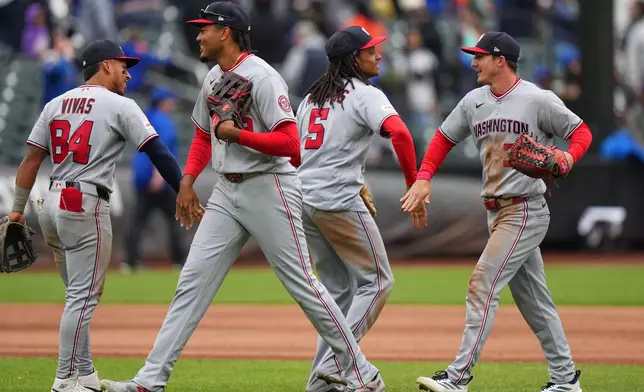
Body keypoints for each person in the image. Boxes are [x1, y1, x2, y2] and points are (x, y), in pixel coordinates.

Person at [99, 3, 384, 392]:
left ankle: (363, 373)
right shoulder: (213, 76)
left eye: (205, 29)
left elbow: (290, 144)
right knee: (191, 282)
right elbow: (203, 135)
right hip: (226, 189)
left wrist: (239, 136)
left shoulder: (263, 77)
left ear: (226, 32)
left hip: (271, 186)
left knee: (303, 284)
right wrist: (187, 179)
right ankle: (150, 380)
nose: (198, 35)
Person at [401, 32, 592, 392]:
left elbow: (581, 132)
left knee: (481, 285)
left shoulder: (537, 99)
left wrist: (567, 156)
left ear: (500, 60)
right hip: (495, 213)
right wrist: (423, 177)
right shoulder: (474, 101)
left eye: (480, 56)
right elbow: (443, 138)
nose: (473, 62)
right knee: (536, 303)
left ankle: (457, 378)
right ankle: (565, 380)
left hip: (524, 210)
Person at [8, 39, 190, 392]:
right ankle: (64, 381)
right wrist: (182, 187)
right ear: (105, 65)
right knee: (83, 298)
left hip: (52, 202)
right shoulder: (119, 104)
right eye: (122, 64)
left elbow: (31, 160)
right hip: (85, 203)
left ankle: (85, 374)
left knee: (76, 295)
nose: (127, 71)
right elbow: (157, 150)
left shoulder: (56, 103)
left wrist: (17, 209)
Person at [294, 25, 426, 392]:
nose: (378, 54)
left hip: (305, 197)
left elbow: (298, 150)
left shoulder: (312, 97)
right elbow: (399, 132)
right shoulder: (364, 94)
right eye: (370, 50)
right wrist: (414, 181)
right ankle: (344, 365)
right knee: (378, 282)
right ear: (354, 59)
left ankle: (319, 385)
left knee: (339, 293)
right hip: (337, 198)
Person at [124, 86, 186, 273]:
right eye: (170, 100)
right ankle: (180, 260)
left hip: (141, 176)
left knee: (139, 220)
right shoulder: (162, 121)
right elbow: (162, 151)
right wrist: (159, 176)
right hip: (156, 177)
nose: (173, 103)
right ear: (162, 102)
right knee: (175, 218)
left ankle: (130, 262)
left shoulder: (146, 117)